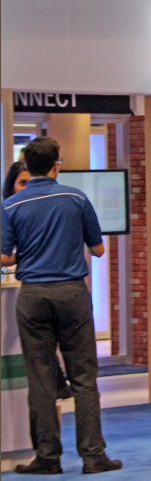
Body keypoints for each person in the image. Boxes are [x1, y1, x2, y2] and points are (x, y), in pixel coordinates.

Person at [1, 137, 122, 475]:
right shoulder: (76, 198)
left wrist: (29, 254)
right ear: (57, 164)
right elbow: (98, 249)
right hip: (72, 293)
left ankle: (47, 457)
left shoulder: (10, 205)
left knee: (41, 380)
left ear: (27, 166)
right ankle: (93, 456)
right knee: (84, 378)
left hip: (33, 296)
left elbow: (4, 256)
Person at [2, 160, 73, 401]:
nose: (26, 188)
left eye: (28, 182)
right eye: (21, 183)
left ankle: (58, 382)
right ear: (11, 185)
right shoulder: (8, 211)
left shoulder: (45, 210)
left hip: (39, 288)